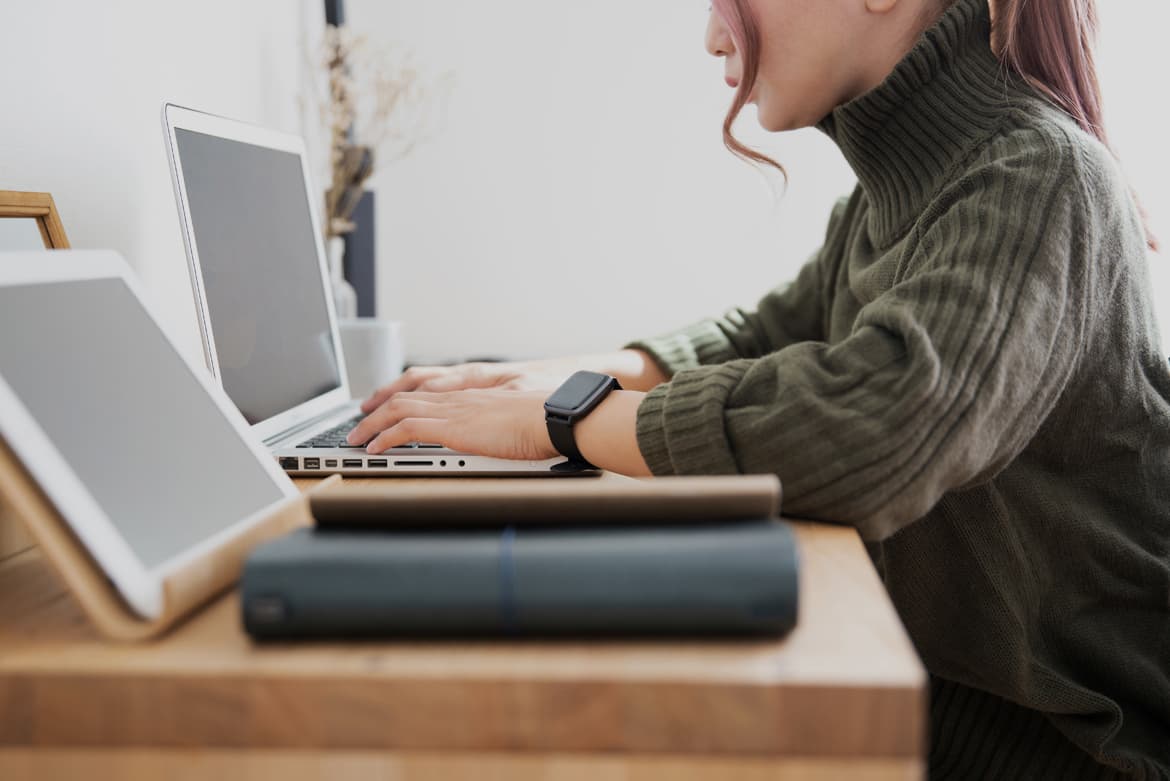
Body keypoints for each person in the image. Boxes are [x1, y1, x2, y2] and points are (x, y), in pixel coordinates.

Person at [347, 0, 1170, 777]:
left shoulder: (1039, 174)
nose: (714, 36)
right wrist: (554, 382)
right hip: (937, 709)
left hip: (1068, 754)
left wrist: (561, 421)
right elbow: (761, 337)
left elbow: (877, 422)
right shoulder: (891, 199)